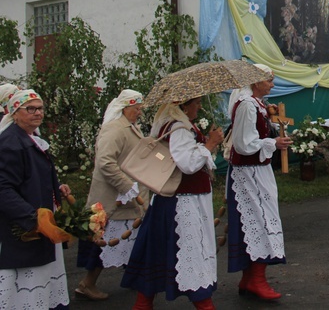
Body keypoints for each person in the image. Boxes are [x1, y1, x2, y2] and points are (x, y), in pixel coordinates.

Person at [121, 97, 223, 309]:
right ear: (183, 106)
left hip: (175, 200)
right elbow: (187, 164)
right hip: (182, 202)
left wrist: (206, 145)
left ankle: (143, 304)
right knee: (191, 252)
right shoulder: (179, 128)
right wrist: (210, 144)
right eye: (196, 103)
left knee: (158, 252)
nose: (200, 106)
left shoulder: (177, 126)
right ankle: (204, 304)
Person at [75, 89, 150, 300]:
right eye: (137, 109)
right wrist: (127, 187)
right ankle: (87, 283)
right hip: (114, 200)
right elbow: (105, 162)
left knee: (130, 239)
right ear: (125, 108)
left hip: (126, 200)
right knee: (108, 243)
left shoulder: (129, 127)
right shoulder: (115, 129)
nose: (139, 113)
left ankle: (137, 278)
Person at [0, 89, 71, 309]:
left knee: (40, 284)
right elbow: (3, 189)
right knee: (23, 290)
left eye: (40, 108)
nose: (37, 113)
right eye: (30, 109)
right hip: (21, 230)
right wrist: (33, 218)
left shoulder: (30, 138)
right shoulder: (10, 143)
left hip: (37, 226)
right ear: (14, 112)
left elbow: (32, 178)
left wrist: (55, 190)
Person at [226, 64, 292, 300]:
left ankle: (250, 277)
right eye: (269, 80)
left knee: (255, 220)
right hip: (249, 172)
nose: (273, 84)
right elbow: (244, 144)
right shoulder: (246, 105)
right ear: (256, 82)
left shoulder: (255, 104)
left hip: (256, 170)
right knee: (259, 220)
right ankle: (256, 278)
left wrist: (271, 124)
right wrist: (273, 144)